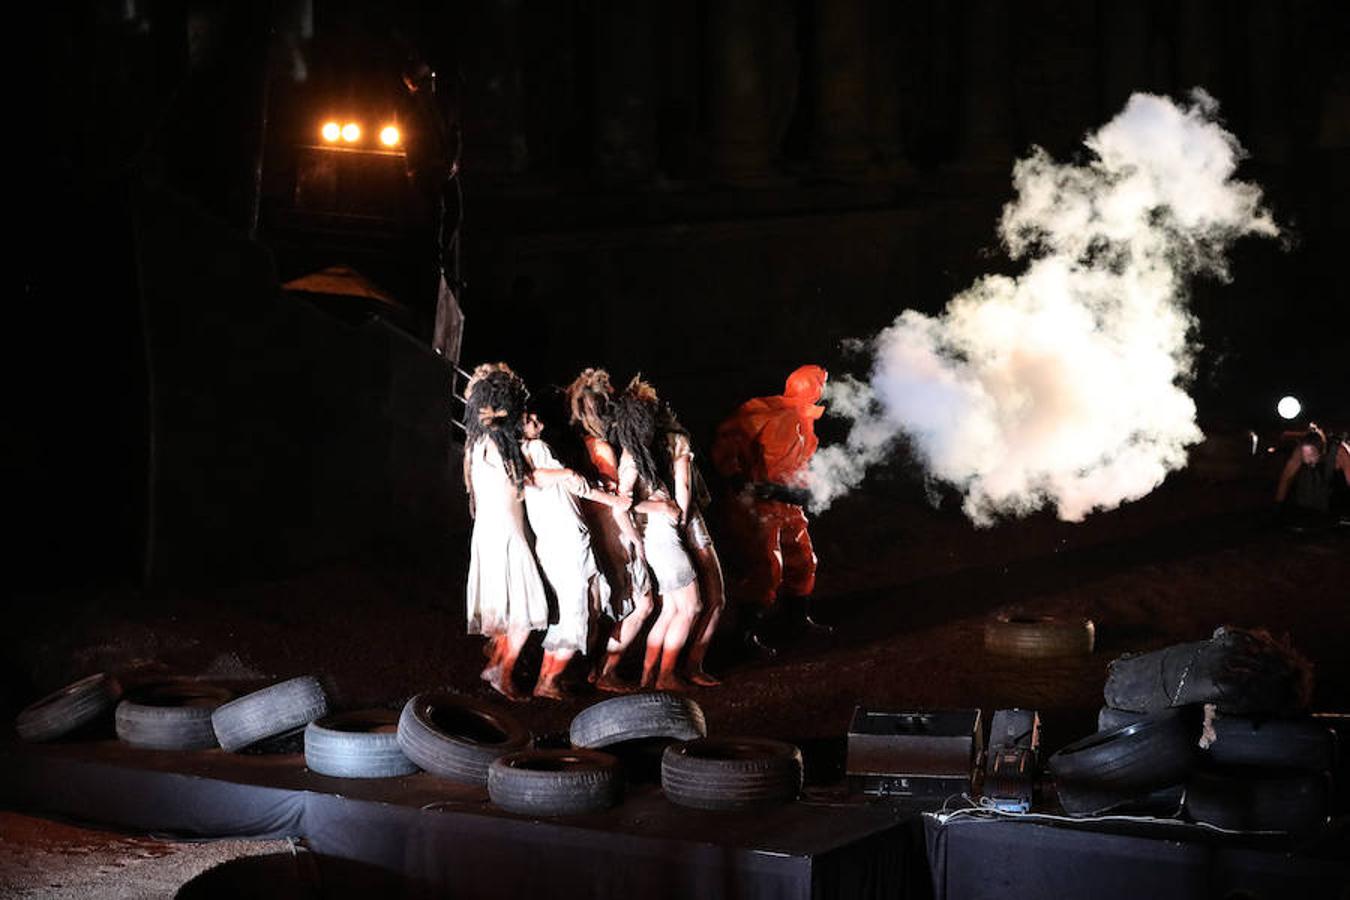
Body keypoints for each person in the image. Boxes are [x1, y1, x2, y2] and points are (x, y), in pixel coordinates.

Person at [711, 365, 829, 655]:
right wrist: (736, 477)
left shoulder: (804, 419)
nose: (824, 388)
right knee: (766, 567)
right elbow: (727, 443)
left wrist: (801, 490)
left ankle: (797, 620)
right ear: (812, 386)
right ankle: (744, 636)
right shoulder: (764, 412)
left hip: (786, 501)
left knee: (803, 559)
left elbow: (799, 465)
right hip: (759, 503)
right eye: (821, 382)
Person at [520, 412, 631, 699]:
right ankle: (548, 680)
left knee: (580, 607)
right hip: (565, 539)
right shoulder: (536, 448)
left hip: (558, 537)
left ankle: (551, 677)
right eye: (527, 417)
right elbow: (564, 482)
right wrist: (613, 499)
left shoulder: (528, 451)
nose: (535, 418)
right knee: (578, 609)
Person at [610, 379, 706, 690]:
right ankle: (665, 675)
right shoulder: (632, 459)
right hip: (661, 541)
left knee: (672, 610)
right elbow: (620, 507)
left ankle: (650, 675)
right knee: (691, 607)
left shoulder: (640, 453)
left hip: (662, 539)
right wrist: (660, 512)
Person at [565, 369, 654, 692]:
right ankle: (606, 671)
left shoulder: (581, 444)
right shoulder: (601, 448)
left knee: (620, 603)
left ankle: (598, 669)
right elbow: (619, 500)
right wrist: (635, 539)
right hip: (613, 530)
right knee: (642, 603)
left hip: (601, 528)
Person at [1275, 423, 1350, 517]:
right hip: (1303, 504)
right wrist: (1278, 504)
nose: (1308, 463)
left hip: (1331, 506)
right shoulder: (1299, 452)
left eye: (1311, 459)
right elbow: (1286, 477)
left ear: (1320, 452)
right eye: (1304, 459)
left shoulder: (1339, 453)